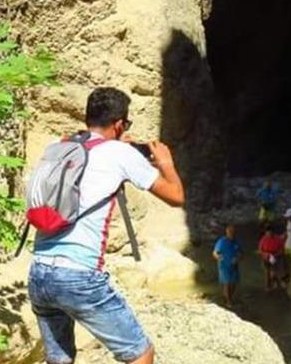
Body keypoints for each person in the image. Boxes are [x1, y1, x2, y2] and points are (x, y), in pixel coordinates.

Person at [28, 87, 184, 364]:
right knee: (140, 354)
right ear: (119, 123)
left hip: (40, 272)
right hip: (78, 275)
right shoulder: (121, 155)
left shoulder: (59, 146)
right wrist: (166, 163)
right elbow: (176, 197)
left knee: (59, 359)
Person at [212, 224, 241, 307]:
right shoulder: (222, 241)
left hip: (234, 265)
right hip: (224, 265)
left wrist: (238, 258)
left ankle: (228, 297)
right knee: (227, 283)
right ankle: (228, 301)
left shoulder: (236, 242)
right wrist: (218, 257)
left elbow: (241, 252)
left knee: (234, 283)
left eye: (233, 232)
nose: (232, 234)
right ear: (227, 232)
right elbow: (215, 252)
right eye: (230, 232)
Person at [257, 226, 286, 291]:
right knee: (267, 272)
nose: (269, 235)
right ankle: (267, 286)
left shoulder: (278, 239)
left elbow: (282, 250)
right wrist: (265, 254)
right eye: (268, 233)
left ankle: (276, 282)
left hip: (275, 256)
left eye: (270, 233)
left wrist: (275, 255)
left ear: (273, 232)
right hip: (266, 257)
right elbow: (260, 250)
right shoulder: (263, 239)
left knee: (274, 272)